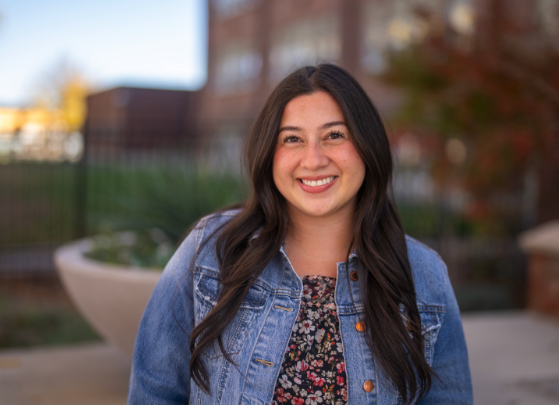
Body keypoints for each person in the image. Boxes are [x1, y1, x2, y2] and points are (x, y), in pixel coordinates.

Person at [128, 64, 472, 404]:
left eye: (334, 135)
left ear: (368, 146)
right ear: (269, 153)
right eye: (292, 139)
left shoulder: (425, 274)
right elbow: (154, 391)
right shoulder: (211, 249)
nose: (313, 159)